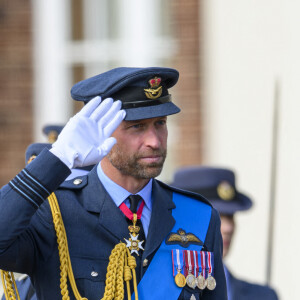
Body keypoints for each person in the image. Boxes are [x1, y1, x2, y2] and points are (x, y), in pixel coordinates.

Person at [0, 67, 227, 300]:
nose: (154, 141)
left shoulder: (198, 215)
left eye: (160, 123)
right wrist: (59, 157)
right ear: (101, 131)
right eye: (137, 126)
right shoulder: (55, 212)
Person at [171, 166, 279, 300]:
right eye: (216, 216)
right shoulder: (148, 290)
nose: (228, 227)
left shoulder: (263, 297)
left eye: (230, 216)